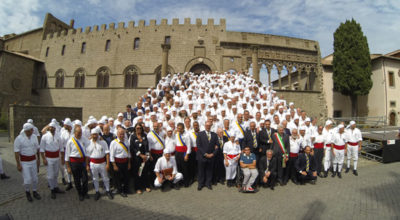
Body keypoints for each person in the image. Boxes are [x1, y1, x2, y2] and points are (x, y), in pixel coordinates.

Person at [14, 123, 41, 202]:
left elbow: (37, 148)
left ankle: (35, 191)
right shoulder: (19, 139)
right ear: (26, 130)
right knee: (27, 179)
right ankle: (27, 192)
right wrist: (18, 164)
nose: (33, 131)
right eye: (31, 130)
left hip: (33, 160)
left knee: (35, 178)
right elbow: (16, 152)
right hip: (24, 162)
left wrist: (38, 160)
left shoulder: (34, 137)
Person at [86, 128, 113, 200]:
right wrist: (87, 165)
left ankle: (108, 190)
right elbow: (87, 156)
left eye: (96, 134)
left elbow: (107, 153)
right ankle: (97, 191)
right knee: (95, 178)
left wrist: (107, 164)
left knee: (105, 178)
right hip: (93, 163)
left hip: (102, 163)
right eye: (93, 134)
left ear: (98, 134)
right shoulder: (88, 143)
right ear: (91, 135)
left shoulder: (103, 142)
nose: (95, 136)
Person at [40, 122, 65, 199]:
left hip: (57, 158)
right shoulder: (44, 137)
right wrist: (44, 159)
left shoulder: (58, 137)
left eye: (53, 127)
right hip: (49, 158)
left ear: (55, 128)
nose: (51, 128)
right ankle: (52, 190)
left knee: (56, 174)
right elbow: (41, 149)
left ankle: (56, 187)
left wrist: (62, 158)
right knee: (50, 175)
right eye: (50, 127)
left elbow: (61, 148)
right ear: (49, 128)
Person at [65, 126, 90, 201]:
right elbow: (67, 156)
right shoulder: (70, 141)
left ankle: (85, 192)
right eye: (78, 133)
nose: (80, 134)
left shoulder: (84, 139)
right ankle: (80, 193)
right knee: (77, 179)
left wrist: (87, 164)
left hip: (83, 162)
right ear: (74, 132)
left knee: (85, 178)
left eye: (81, 132)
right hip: (74, 163)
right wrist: (68, 167)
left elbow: (88, 149)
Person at [196, 121, 219, 191]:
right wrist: (205, 154)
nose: (208, 127)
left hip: (211, 156)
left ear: (211, 126)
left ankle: (208, 183)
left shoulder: (214, 135)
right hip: (202, 156)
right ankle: (200, 184)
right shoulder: (200, 134)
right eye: (207, 125)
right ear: (205, 126)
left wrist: (213, 154)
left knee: (209, 171)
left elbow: (217, 145)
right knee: (201, 171)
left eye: (209, 126)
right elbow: (198, 146)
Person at [130, 123, 151, 194]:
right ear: (135, 129)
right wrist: (141, 155)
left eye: (140, 128)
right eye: (137, 128)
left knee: (145, 172)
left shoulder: (144, 135)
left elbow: (147, 146)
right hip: (137, 159)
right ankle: (138, 188)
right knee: (138, 173)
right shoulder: (133, 137)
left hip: (145, 158)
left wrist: (146, 156)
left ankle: (146, 186)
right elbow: (132, 148)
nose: (139, 129)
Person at [110, 128, 131, 197]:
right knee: (118, 178)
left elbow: (128, 153)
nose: (122, 135)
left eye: (123, 134)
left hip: (125, 162)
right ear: (117, 134)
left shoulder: (127, 141)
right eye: (120, 134)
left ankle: (126, 189)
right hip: (118, 163)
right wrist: (114, 165)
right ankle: (120, 190)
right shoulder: (114, 143)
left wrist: (129, 163)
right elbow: (112, 155)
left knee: (126, 177)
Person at [174, 123, 192, 187]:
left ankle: (186, 182)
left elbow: (189, 146)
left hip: (184, 153)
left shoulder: (187, 135)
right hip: (177, 153)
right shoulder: (176, 134)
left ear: (183, 128)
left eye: (180, 128)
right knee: (179, 168)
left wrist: (187, 155)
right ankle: (180, 181)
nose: (178, 130)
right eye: (178, 128)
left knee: (185, 168)